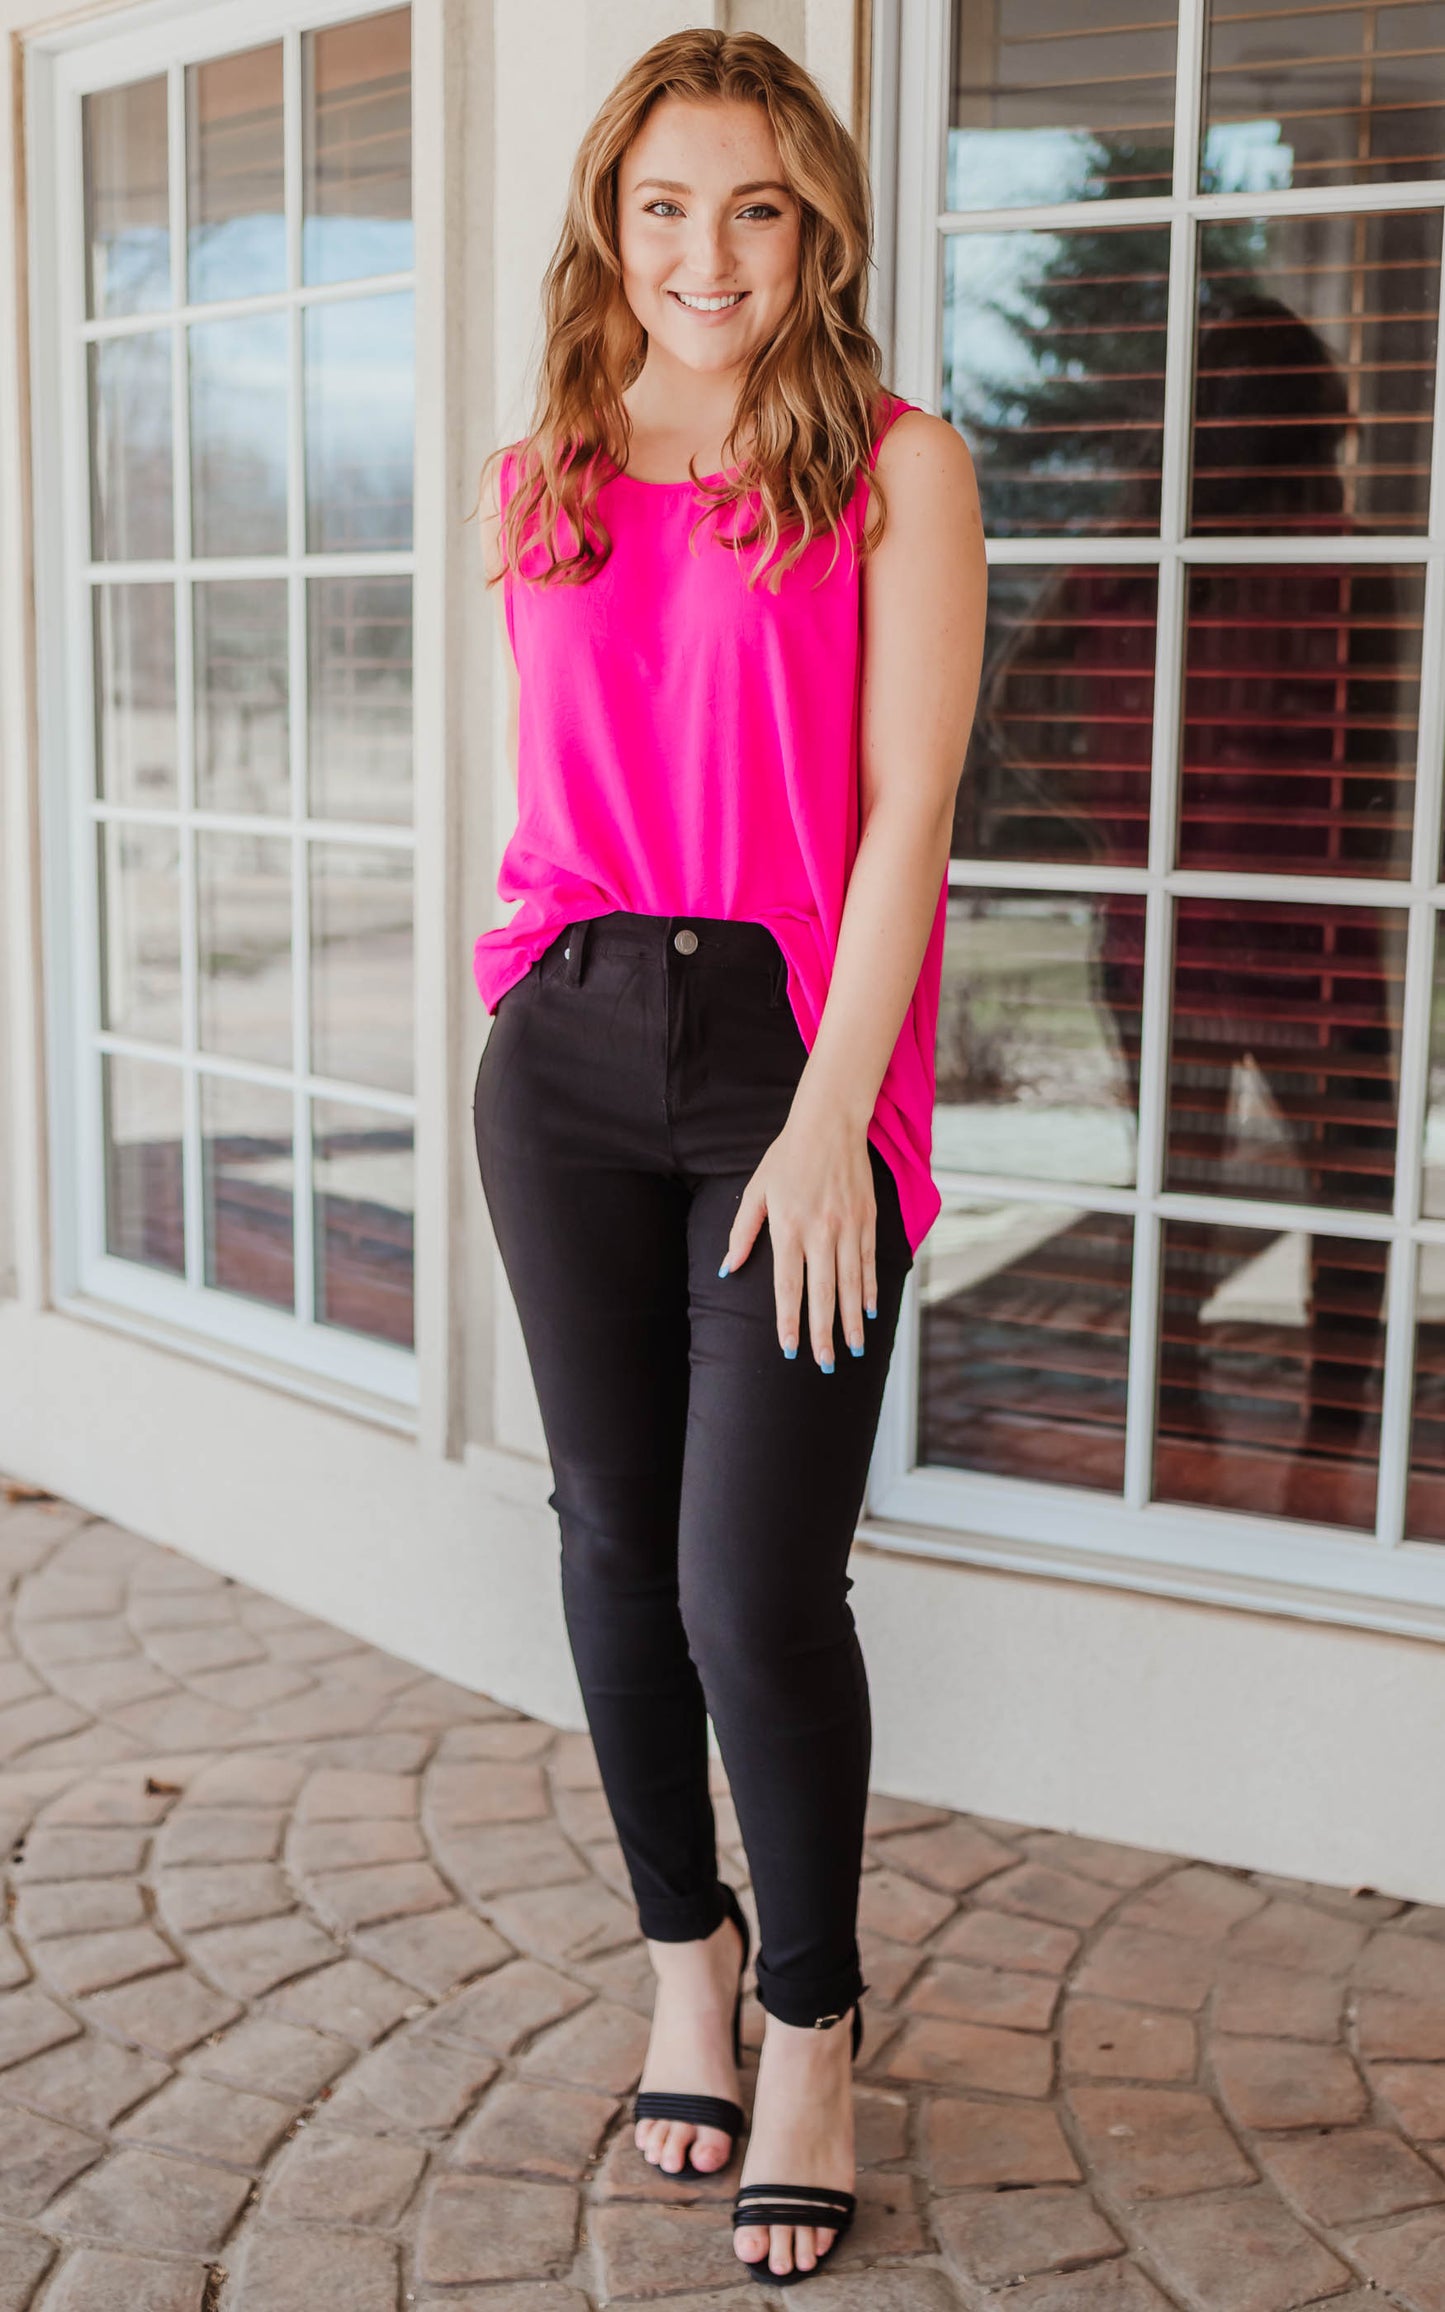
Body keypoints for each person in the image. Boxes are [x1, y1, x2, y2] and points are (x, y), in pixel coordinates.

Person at [470, 27, 984, 2287]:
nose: (709, 253)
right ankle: (684, 1960)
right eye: (668, 206)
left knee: (748, 1584)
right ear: (613, 219)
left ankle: (811, 2018)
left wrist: (827, 1120)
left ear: (818, 228)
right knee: (605, 1546)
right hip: (567, 1047)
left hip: (795, 1051)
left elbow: (902, 825)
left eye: (756, 208)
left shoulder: (899, 467)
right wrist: (523, 1024)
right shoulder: (549, 467)